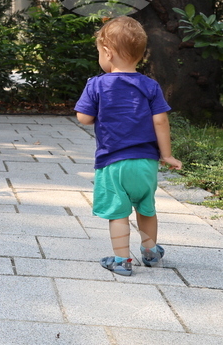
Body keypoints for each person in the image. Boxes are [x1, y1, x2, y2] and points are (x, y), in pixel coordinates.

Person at [75, 16, 183, 277]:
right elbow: (160, 120)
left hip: (113, 163)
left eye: (100, 52)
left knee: (118, 212)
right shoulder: (150, 85)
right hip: (145, 162)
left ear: (108, 53)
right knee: (146, 208)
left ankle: (122, 260)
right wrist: (166, 154)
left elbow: (84, 118)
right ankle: (150, 251)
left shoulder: (97, 84)